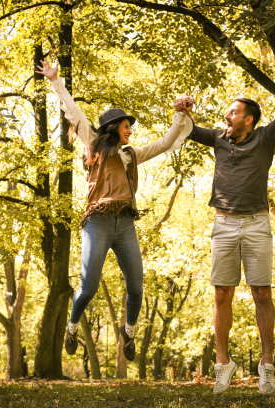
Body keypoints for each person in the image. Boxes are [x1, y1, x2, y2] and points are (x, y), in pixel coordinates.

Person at [36, 59, 192, 361]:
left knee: (136, 287)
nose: (130, 130)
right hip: (98, 222)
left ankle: (129, 334)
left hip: (125, 224)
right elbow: (73, 111)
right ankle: (72, 326)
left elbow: (165, 143)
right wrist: (56, 81)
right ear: (112, 128)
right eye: (126, 126)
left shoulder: (132, 155)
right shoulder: (93, 143)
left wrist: (179, 114)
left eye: (130, 127)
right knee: (89, 285)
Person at [174, 45, 275, 394]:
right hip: (224, 224)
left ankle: (267, 367)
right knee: (222, 294)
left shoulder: (265, 138)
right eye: (227, 112)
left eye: (233, 113)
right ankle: (222, 364)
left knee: (262, 293)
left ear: (248, 119)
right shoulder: (217, 138)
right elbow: (186, 130)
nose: (226, 116)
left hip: (258, 224)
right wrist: (183, 110)